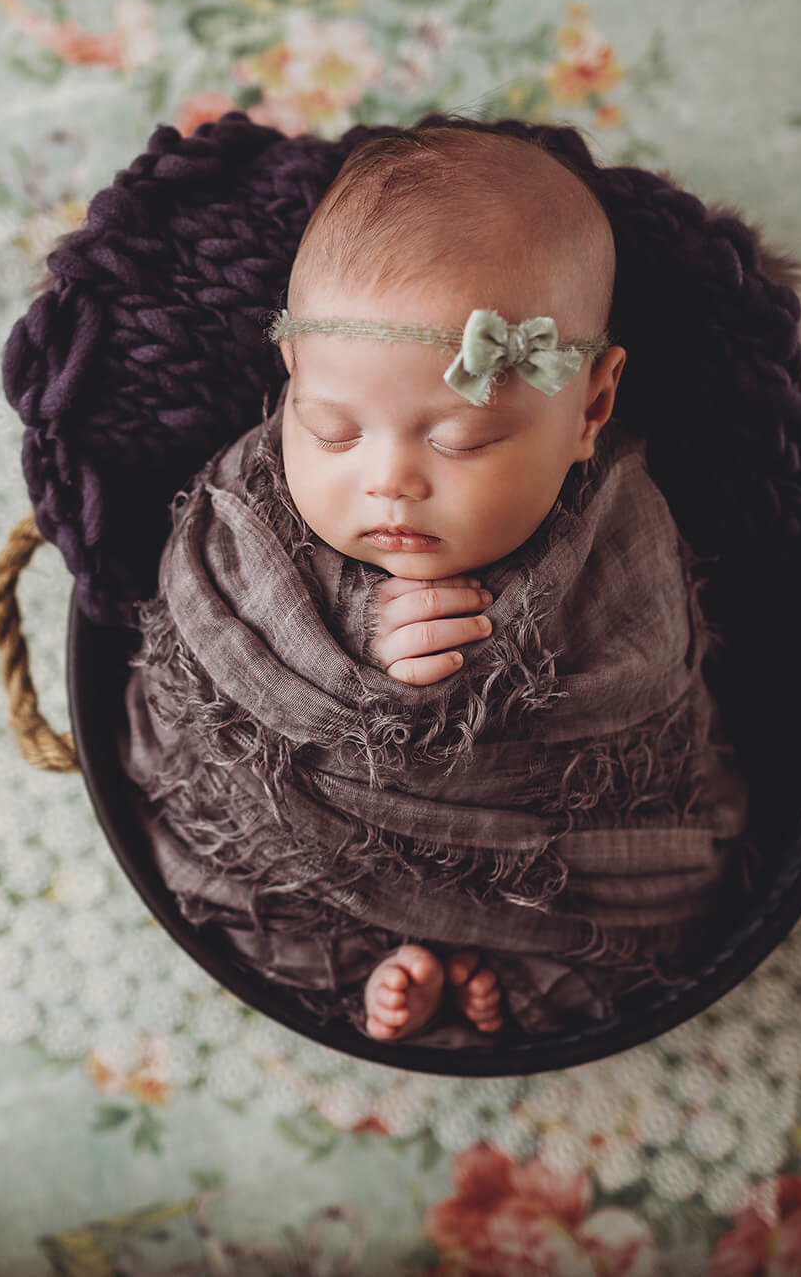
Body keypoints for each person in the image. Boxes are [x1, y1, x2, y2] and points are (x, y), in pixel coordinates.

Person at [122, 123, 747, 1045]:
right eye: (333, 428)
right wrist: (341, 622)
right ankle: (382, 966)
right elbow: (214, 592)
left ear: (591, 406)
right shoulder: (251, 497)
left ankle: (496, 969)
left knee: (646, 900)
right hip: (304, 847)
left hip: (544, 867)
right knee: (231, 852)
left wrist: (508, 668)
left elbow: (650, 681)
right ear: (291, 374)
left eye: (459, 440)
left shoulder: (622, 526)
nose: (388, 481)